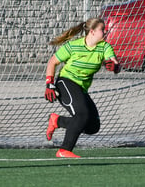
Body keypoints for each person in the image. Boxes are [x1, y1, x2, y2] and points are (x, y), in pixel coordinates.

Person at [44, 18, 120, 158]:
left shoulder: (104, 47)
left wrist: (115, 67)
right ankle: (64, 150)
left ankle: (57, 120)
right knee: (82, 115)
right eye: (102, 29)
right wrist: (50, 84)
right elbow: (52, 62)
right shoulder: (74, 46)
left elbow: (114, 62)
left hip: (81, 89)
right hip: (65, 83)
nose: (105, 31)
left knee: (93, 126)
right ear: (92, 31)